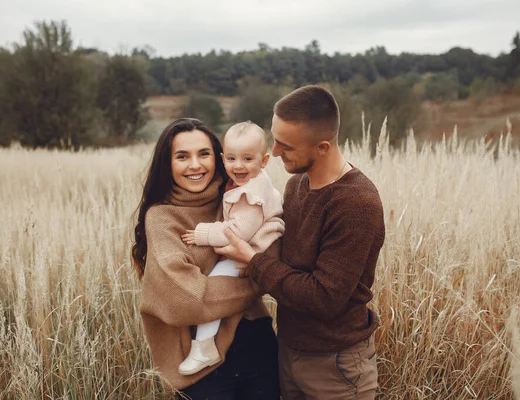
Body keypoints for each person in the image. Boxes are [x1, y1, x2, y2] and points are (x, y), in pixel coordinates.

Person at [215, 86, 385, 400]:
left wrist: (252, 261)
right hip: (288, 351)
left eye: (286, 146)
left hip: (336, 366)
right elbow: (282, 262)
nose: (275, 152)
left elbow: (323, 297)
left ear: (322, 147)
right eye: (275, 138)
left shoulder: (356, 203)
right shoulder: (296, 185)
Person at [132, 118, 280, 399]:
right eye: (182, 157)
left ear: (218, 158)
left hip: (257, 345)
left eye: (204, 154)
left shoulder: (238, 197)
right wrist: (258, 282)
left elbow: (275, 251)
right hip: (200, 365)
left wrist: (263, 268)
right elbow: (188, 300)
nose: (195, 165)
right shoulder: (163, 217)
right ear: (168, 163)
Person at [179, 121, 285, 376]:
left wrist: (203, 234)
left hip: (254, 250)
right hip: (249, 249)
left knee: (213, 288)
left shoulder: (252, 193)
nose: (238, 165)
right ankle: (206, 345)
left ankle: (204, 347)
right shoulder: (244, 184)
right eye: (231, 158)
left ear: (264, 160)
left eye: (248, 159)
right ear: (223, 159)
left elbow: (238, 232)